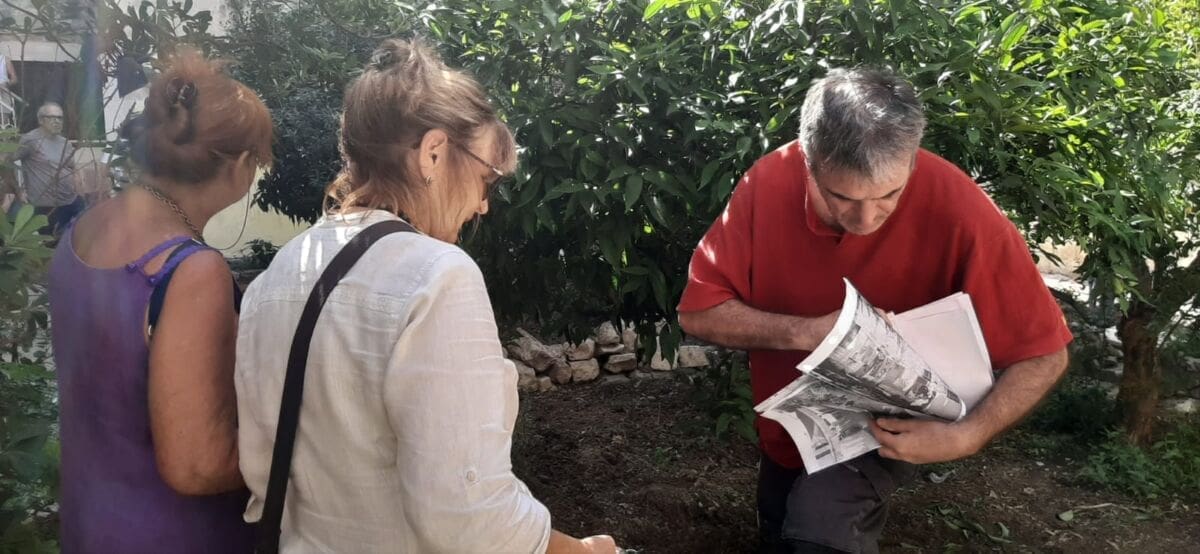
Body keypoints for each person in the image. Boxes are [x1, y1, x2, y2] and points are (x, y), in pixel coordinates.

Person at [235, 38, 619, 554]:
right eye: (486, 178)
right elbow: (467, 516)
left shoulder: (277, 274)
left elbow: (262, 474)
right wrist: (587, 551)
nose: (483, 204)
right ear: (433, 153)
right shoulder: (437, 275)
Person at [677, 67, 1072, 554]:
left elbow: (1045, 353)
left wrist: (970, 434)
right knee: (778, 527)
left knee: (819, 532)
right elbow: (699, 313)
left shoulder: (962, 209)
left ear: (913, 159)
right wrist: (808, 332)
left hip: (885, 425)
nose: (865, 218)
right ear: (807, 161)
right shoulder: (768, 181)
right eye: (840, 197)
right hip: (792, 427)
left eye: (889, 195)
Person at [47, 51, 273, 553]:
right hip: (174, 535)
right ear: (240, 165)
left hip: (89, 522)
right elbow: (196, 466)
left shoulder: (81, 230)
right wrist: (300, 452)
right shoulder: (190, 270)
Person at [12, 102, 83, 235]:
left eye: (60, 118)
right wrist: (18, 191)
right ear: (41, 120)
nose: (57, 121)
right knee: (50, 243)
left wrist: (79, 187)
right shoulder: (30, 140)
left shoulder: (65, 142)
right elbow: (5, 162)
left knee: (78, 238)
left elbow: (72, 167)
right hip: (46, 206)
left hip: (71, 201)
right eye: (52, 117)